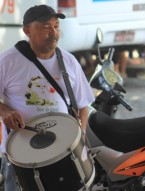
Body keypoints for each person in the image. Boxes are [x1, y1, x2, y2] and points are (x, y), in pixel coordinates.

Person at [0, 5, 94, 191]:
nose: (53, 32)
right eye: (45, 26)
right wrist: (5, 111)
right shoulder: (7, 61)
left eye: (56, 26)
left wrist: (80, 136)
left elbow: (83, 106)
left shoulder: (69, 61)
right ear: (27, 30)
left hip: (62, 155)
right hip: (20, 155)